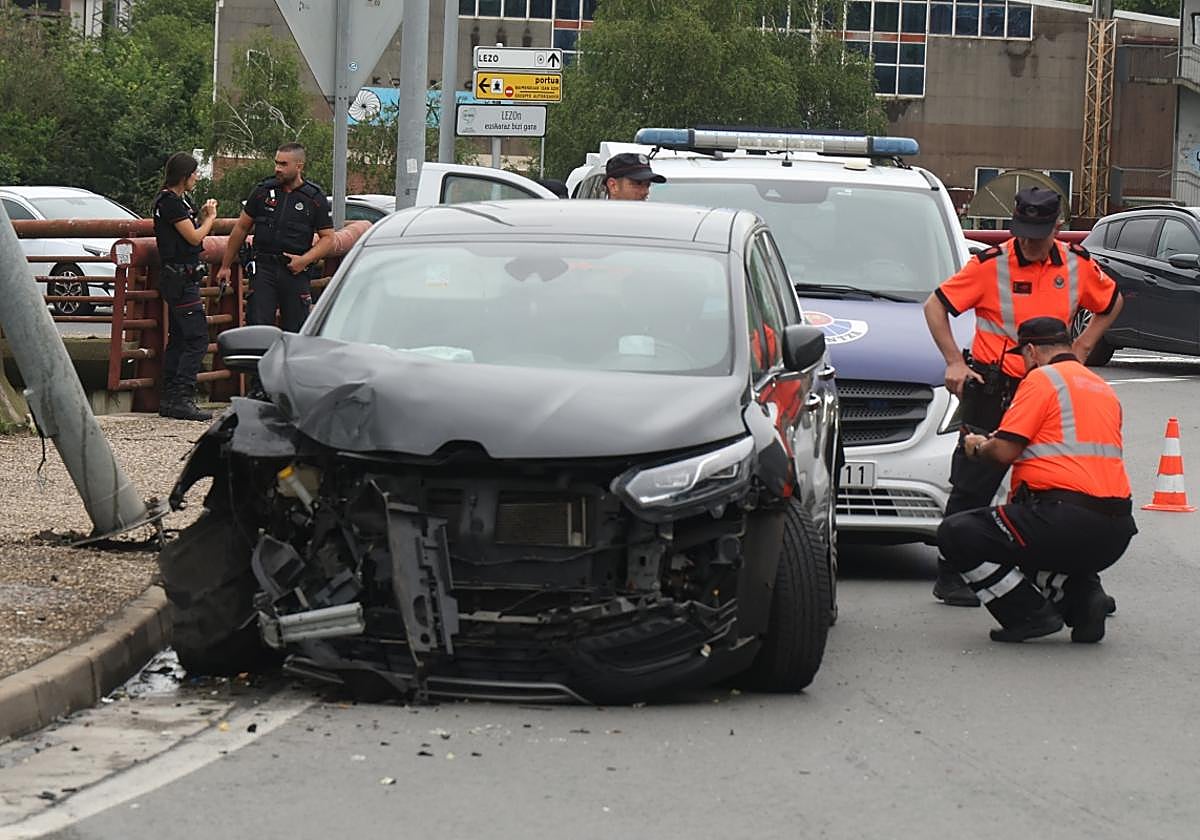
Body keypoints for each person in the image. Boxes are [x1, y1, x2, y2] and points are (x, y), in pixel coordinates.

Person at [922, 186, 1124, 607]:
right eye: (1023, 231)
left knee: (1054, 480)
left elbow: (1112, 300)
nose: (1030, 242)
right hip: (995, 386)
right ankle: (953, 571)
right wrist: (954, 362)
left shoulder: (1076, 266)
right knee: (973, 481)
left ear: (1058, 226)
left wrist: (1083, 347)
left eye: (1039, 232)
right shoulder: (990, 266)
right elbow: (935, 306)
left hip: (1051, 389)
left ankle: (1070, 580)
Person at [937, 317, 1136, 643]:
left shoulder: (1042, 379)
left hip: (1061, 519)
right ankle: (1084, 600)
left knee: (957, 534)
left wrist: (976, 447)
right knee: (1030, 532)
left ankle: (1028, 614)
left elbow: (1002, 451)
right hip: (1115, 531)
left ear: (1030, 351)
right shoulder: (1100, 386)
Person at [216, 143, 334, 332]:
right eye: (276, 163)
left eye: (283, 164)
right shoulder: (263, 191)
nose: (277, 168)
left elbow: (329, 238)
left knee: (295, 331)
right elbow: (241, 228)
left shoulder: (313, 198)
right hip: (264, 269)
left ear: (299, 166)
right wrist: (225, 266)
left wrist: (304, 261)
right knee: (258, 329)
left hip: (294, 270)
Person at [152, 152, 218, 421]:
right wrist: (210, 218)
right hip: (180, 279)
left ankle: (170, 398)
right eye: (194, 174)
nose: (196, 178)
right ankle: (181, 397)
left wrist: (199, 215)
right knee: (197, 338)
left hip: (180, 278)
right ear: (184, 176)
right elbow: (193, 237)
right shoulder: (171, 203)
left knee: (179, 337)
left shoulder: (176, 202)